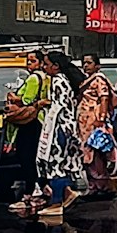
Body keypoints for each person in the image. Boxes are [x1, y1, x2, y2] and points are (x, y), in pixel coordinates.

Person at [35, 49, 85, 221]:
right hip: (69, 126)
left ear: (55, 66)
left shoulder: (57, 80)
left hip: (60, 128)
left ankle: (56, 203)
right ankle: (68, 193)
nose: (43, 67)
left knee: (55, 165)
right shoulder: (65, 79)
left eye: (46, 64)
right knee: (61, 164)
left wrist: (44, 104)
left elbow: (60, 105)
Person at [5, 48, 48, 216]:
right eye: (28, 61)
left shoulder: (33, 79)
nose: (29, 64)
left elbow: (26, 100)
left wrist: (14, 98)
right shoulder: (46, 78)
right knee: (35, 156)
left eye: (32, 61)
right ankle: (39, 188)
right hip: (40, 120)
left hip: (30, 120)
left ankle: (31, 192)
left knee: (26, 156)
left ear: (40, 62)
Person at [78, 53, 117, 195]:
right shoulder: (86, 80)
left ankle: (102, 185)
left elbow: (104, 99)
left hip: (95, 120)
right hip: (85, 122)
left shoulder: (99, 80)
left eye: (89, 63)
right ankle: (93, 185)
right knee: (87, 153)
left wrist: (100, 118)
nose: (86, 65)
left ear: (97, 66)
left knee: (96, 153)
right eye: (84, 62)